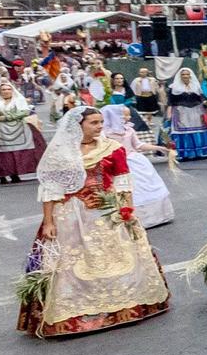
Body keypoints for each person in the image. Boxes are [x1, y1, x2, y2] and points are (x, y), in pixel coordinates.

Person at [17, 108, 170, 338]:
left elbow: (122, 181)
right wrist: (48, 222)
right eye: (94, 123)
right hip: (70, 214)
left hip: (106, 212)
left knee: (119, 258)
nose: (100, 127)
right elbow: (51, 190)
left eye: (100, 122)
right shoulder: (60, 152)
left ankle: (125, 305)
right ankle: (77, 314)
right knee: (73, 264)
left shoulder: (112, 148)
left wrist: (127, 209)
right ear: (78, 125)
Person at [100, 104, 175, 228]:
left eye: (129, 114)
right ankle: (132, 218)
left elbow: (138, 145)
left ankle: (158, 216)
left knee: (148, 187)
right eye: (125, 115)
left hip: (136, 162)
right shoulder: (105, 134)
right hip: (118, 165)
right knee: (127, 191)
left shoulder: (129, 129)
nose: (129, 117)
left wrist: (159, 148)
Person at [0, 79, 46, 183]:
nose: (6, 91)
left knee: (24, 149)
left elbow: (25, 111)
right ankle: (2, 175)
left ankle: (15, 173)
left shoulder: (19, 100)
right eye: (3, 89)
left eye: (8, 89)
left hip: (19, 127)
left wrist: (7, 117)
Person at [166, 68, 207, 161]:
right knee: (183, 131)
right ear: (180, 76)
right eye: (183, 74)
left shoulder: (196, 86)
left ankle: (199, 152)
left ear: (190, 75)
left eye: (187, 74)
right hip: (181, 111)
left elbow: (202, 98)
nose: (185, 76)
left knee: (198, 130)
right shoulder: (174, 87)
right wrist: (169, 114)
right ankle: (185, 153)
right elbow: (170, 102)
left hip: (197, 111)